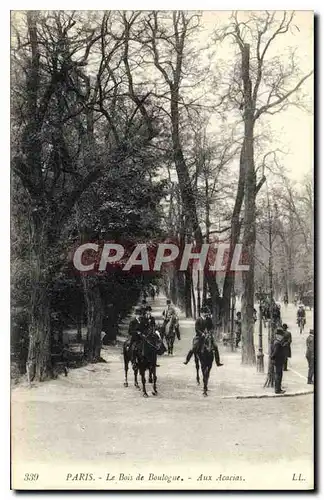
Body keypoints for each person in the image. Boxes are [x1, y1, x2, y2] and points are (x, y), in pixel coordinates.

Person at [270, 328, 286, 394]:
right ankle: (277, 390)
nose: (282, 337)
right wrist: (272, 357)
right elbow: (275, 352)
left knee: (278, 375)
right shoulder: (277, 343)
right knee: (278, 375)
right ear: (278, 336)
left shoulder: (275, 342)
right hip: (278, 361)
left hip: (277, 361)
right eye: (281, 335)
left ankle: (278, 389)